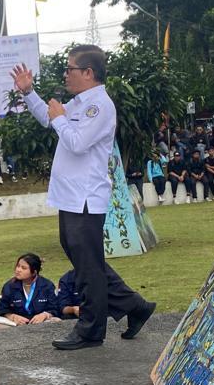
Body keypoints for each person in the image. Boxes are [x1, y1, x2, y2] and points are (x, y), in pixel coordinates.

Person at [11, 45, 155, 350]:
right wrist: (29, 93)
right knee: (88, 263)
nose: (66, 75)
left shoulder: (100, 106)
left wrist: (61, 118)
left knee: (88, 267)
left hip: (86, 197)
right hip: (71, 196)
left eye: (70, 69)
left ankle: (91, 329)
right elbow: (50, 119)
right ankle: (135, 305)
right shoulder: (79, 102)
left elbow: (76, 142)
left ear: (88, 73)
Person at [0, 253, 59, 328]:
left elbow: (55, 308)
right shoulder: (9, 286)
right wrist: (12, 316)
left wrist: (45, 315)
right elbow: (1, 309)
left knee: (57, 322)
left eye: (23, 268)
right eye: (18, 266)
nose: (18, 270)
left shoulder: (47, 285)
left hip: (40, 322)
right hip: (16, 323)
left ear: (34, 272)